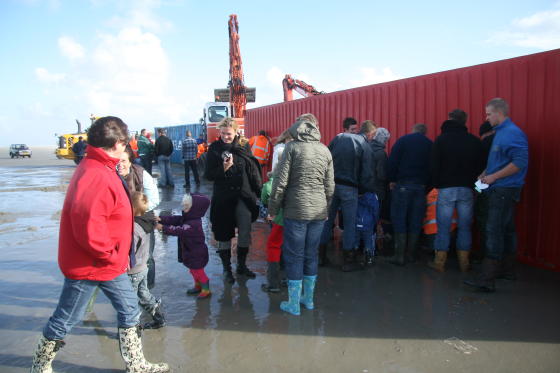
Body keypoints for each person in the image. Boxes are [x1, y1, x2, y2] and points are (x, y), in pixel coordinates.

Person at [30, 116, 169, 373]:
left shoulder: (98, 166)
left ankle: (136, 365)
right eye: (126, 143)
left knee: (129, 309)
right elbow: (89, 230)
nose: (127, 148)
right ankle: (40, 366)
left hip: (109, 263)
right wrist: (112, 254)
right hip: (92, 265)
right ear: (118, 143)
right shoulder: (95, 173)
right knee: (66, 319)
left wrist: (116, 255)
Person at [268, 113, 334, 316]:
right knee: (311, 254)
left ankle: (294, 303)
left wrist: (272, 210)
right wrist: (326, 208)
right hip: (318, 211)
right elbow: (330, 186)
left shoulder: (292, 148)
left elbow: (280, 183)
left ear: (297, 127)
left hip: (296, 210)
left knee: (294, 256)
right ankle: (309, 300)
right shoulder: (325, 150)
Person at [464, 98, 529, 292]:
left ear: (499, 113)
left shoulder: (512, 133)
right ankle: (506, 270)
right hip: (501, 187)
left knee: (493, 230)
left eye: (488, 113)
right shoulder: (501, 134)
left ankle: (487, 278)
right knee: (507, 229)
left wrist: (493, 177)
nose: (486, 117)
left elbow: (520, 162)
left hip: (503, 189)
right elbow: (501, 160)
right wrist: (485, 173)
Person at [205, 118, 262, 284]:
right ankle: (227, 269)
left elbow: (252, 170)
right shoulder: (215, 148)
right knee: (223, 234)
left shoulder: (243, 147)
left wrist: (259, 192)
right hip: (223, 198)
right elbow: (208, 175)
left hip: (243, 196)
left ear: (236, 132)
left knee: (244, 232)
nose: (225, 137)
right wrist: (224, 168)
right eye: (222, 133)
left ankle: (242, 266)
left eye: (228, 134)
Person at [429, 116, 484, 272]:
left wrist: (436, 184)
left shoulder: (441, 140)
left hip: (446, 188)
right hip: (467, 189)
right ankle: (464, 263)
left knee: (443, 226)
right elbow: (481, 166)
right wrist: (477, 187)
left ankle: (439, 262)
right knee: (465, 227)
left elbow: (434, 164)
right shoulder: (474, 141)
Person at [319, 120, 376, 271]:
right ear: (370, 134)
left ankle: (320, 257)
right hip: (350, 188)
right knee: (350, 224)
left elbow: (326, 158)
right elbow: (367, 172)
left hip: (332, 185)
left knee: (327, 220)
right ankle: (348, 261)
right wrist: (364, 190)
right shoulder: (365, 146)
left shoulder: (339, 138)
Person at [386, 123, 433, 265]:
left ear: (413, 131)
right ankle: (411, 255)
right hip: (420, 187)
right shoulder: (430, 144)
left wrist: (392, 179)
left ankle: (399, 256)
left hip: (403, 185)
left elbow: (392, 162)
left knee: (399, 218)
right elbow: (433, 166)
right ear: (424, 132)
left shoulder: (403, 141)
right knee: (416, 220)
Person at [118, 145, 160, 289]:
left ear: (130, 161)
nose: (119, 164)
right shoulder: (109, 175)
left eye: (123, 160)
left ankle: (149, 287)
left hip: (142, 222)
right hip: (117, 224)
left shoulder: (141, 174)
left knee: (146, 257)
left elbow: (154, 200)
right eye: (117, 160)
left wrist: (134, 210)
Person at [157, 194, 212, 299]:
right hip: (190, 251)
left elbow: (178, 230)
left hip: (197, 253)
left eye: (187, 207)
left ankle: (206, 289)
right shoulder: (187, 218)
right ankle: (198, 285)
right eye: (184, 206)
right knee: (193, 270)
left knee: (198, 271)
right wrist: (161, 219)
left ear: (195, 209)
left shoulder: (193, 223)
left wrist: (163, 228)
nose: (184, 208)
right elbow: (174, 220)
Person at [128, 192, 166, 329]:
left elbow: (128, 251)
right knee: (144, 294)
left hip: (132, 270)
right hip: (143, 266)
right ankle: (158, 317)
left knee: (129, 300)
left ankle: (131, 328)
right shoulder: (147, 221)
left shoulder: (134, 228)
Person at [260, 134, 291, 292]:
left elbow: (267, 197)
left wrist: (270, 213)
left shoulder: (271, 183)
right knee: (290, 247)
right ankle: (287, 279)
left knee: (273, 246)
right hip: (296, 218)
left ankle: (273, 283)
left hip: (279, 220)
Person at [370, 127, 391, 218]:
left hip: (365, 187)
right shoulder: (381, 154)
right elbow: (381, 175)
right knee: (376, 214)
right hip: (378, 189)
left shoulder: (366, 148)